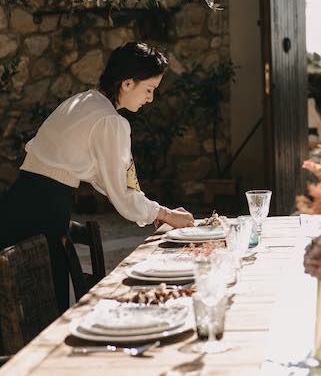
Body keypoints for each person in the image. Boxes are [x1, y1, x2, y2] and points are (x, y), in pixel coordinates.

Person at [0, 42, 195, 312]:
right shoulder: (110, 121)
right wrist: (164, 214)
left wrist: (152, 213)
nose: (150, 99)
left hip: (21, 199)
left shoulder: (83, 102)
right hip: (45, 209)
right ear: (127, 84)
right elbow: (122, 194)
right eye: (149, 90)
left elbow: (106, 180)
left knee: (14, 306)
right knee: (39, 306)